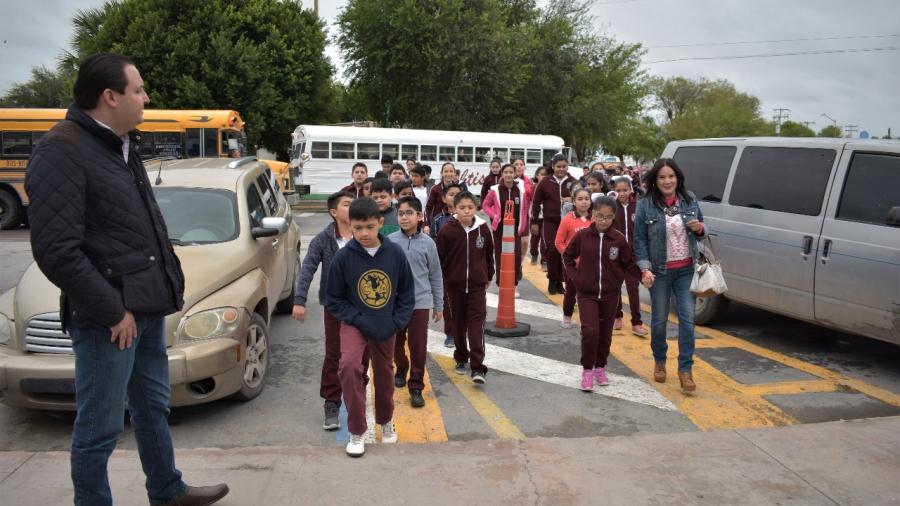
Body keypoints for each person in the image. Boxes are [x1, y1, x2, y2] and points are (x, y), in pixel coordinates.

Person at [25, 53, 228, 505]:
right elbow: (56, 250)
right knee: (100, 427)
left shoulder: (119, 143)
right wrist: (112, 310)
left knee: (153, 407)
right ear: (110, 96)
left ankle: (167, 489)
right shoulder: (62, 149)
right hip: (109, 320)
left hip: (146, 307)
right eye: (138, 90)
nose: (146, 97)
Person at [325, 197, 414, 457]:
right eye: (358, 228)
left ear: (379, 224)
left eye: (369, 227)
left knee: (385, 374)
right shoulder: (343, 258)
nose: (364, 233)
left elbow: (407, 293)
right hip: (355, 323)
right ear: (350, 226)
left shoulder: (395, 253)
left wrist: (397, 322)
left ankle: (386, 420)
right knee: (350, 366)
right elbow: (334, 299)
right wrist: (357, 319)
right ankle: (356, 429)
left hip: (386, 324)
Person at [634, 158, 705, 393]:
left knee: (687, 321)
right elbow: (640, 240)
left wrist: (699, 229)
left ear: (678, 178)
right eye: (662, 177)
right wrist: (645, 268)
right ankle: (660, 361)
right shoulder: (645, 205)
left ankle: (685, 370)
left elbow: (701, 230)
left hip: (686, 270)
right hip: (660, 272)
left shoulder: (689, 199)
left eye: (671, 176)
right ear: (655, 180)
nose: (667, 181)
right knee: (659, 321)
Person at [563, 196, 641, 391]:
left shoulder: (619, 239)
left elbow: (628, 264)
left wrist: (643, 276)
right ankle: (587, 370)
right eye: (599, 216)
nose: (603, 220)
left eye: (608, 217)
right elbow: (567, 256)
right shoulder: (582, 236)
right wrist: (575, 277)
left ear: (613, 217)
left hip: (610, 294)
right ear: (593, 214)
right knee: (590, 331)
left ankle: (600, 367)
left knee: (605, 334)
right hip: (586, 293)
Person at [292, 191, 354, 431]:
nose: (353, 207)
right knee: (334, 355)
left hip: (363, 308)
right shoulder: (323, 239)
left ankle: (357, 397)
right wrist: (299, 300)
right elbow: (308, 267)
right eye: (347, 204)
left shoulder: (365, 235)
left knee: (361, 356)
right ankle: (331, 403)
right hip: (335, 308)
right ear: (334, 212)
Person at [388, 197, 444, 407]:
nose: (404, 217)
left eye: (409, 213)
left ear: (420, 216)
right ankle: (401, 367)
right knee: (395, 342)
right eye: (401, 213)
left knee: (418, 346)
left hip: (420, 303)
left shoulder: (429, 244)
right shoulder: (390, 242)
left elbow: (435, 275)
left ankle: (416, 386)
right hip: (394, 304)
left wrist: (438, 305)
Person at [436, 191, 494, 384]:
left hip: (477, 286)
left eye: (470, 207)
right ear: (454, 209)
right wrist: (444, 282)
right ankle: (461, 356)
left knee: (476, 326)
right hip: (454, 287)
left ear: (476, 208)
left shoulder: (483, 229)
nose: (466, 211)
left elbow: (489, 254)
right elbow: (440, 259)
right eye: (462, 207)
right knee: (458, 324)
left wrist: (488, 275)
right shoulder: (447, 231)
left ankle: (478, 367)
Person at [531, 154, 577, 295]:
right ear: (553, 166)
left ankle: (560, 282)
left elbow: (582, 198)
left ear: (567, 166)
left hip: (568, 222)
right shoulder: (545, 181)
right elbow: (536, 203)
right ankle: (552, 280)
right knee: (551, 250)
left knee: (564, 252)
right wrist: (535, 222)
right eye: (558, 166)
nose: (561, 169)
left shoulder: (573, 182)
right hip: (550, 222)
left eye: (564, 166)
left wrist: (572, 198)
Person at [481, 163, 530, 289]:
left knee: (517, 254)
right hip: (500, 228)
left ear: (515, 174)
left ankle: (513, 281)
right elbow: (485, 205)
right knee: (499, 253)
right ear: (502, 174)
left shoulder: (521, 189)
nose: (508, 174)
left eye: (511, 172)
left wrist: (523, 224)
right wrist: (495, 216)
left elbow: (525, 208)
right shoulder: (495, 189)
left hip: (515, 227)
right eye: (506, 172)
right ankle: (500, 280)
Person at [611, 177, 647, 337]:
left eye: (625, 190)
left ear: (631, 190)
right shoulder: (611, 207)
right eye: (618, 190)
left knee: (633, 289)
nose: (622, 193)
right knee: (615, 287)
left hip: (633, 256)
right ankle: (617, 316)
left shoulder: (638, 207)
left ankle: (636, 322)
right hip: (616, 255)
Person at [554, 188, 594, 329]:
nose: (584, 202)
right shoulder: (568, 220)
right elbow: (559, 242)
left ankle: (588, 319)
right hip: (571, 266)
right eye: (580, 199)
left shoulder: (595, 219)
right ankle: (567, 316)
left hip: (591, 266)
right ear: (574, 202)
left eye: (586, 199)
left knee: (588, 294)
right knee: (571, 292)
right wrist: (569, 258)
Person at [430, 183, 462, 348]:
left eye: (458, 193)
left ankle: (462, 331)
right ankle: (450, 333)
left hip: (465, 267)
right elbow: (435, 244)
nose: (455, 197)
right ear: (443, 198)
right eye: (451, 194)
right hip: (445, 267)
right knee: (448, 301)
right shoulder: (437, 220)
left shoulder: (469, 219)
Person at [424, 162, 468, 234]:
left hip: (457, 221)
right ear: (442, 173)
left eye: (451, 171)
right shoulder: (435, 189)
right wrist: (426, 224)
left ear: (454, 173)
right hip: (439, 223)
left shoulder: (460, 188)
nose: (449, 174)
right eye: (446, 171)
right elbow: (428, 207)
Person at [529, 166, 548, 267]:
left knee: (545, 239)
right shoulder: (533, 187)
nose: (544, 177)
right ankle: (534, 254)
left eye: (546, 175)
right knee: (534, 238)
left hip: (546, 218)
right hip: (535, 218)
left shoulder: (551, 187)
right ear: (537, 175)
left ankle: (544, 260)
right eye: (542, 175)